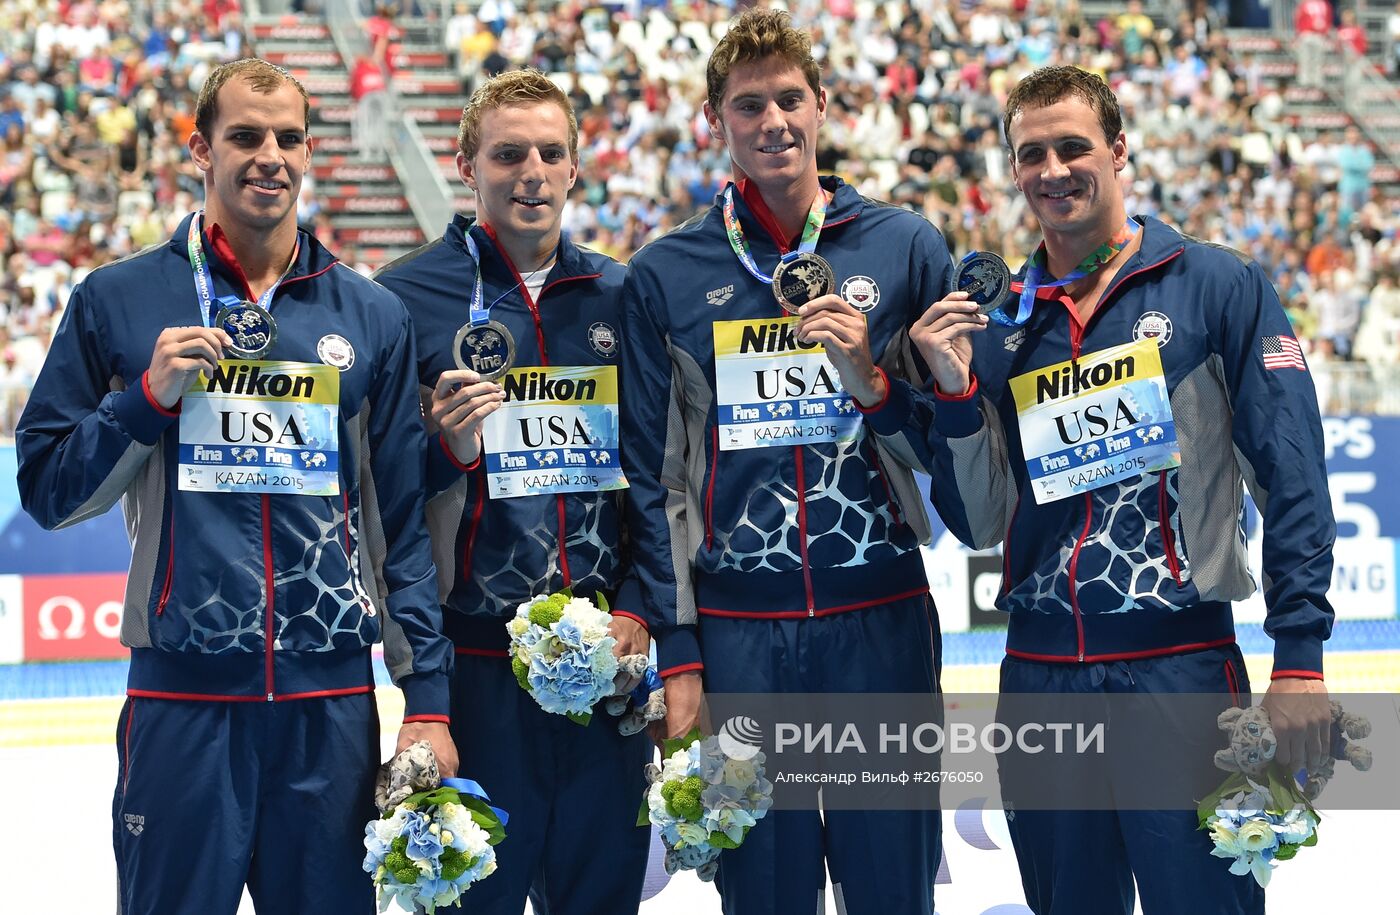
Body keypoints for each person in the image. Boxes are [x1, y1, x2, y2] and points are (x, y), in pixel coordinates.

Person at [14, 58, 456, 915]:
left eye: (289, 137)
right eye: (246, 136)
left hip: (329, 706)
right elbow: (47, 488)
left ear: (310, 151)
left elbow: (399, 526)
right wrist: (145, 401)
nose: (270, 156)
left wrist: (427, 699)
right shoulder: (118, 299)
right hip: (182, 699)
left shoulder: (370, 315)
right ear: (200, 150)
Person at [911, 65, 1334, 915]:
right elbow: (979, 520)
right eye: (1032, 154)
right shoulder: (999, 321)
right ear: (1013, 169)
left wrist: (1299, 658)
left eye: (1073, 147)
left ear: (1118, 150)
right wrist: (954, 397)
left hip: (1181, 671)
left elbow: (1291, 472)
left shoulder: (1215, 284)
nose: (1054, 170)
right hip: (1040, 678)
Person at [620, 10, 952, 914]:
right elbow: (654, 481)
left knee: (893, 889)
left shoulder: (904, 246)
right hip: (740, 635)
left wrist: (873, 381)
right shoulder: (666, 273)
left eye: (790, 100)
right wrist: (682, 651)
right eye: (749, 104)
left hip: (880, 618)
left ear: (822, 106)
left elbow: (953, 441)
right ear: (715, 120)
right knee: (763, 892)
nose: (773, 122)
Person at [373, 68, 651, 915]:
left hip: (604, 678)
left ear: (575, 167)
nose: (532, 172)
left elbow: (656, 476)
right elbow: (385, 502)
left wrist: (640, 607)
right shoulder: (402, 297)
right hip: (476, 676)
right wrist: (448, 450)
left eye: (550, 153)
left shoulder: (620, 294)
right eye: (508, 154)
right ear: (467, 165)